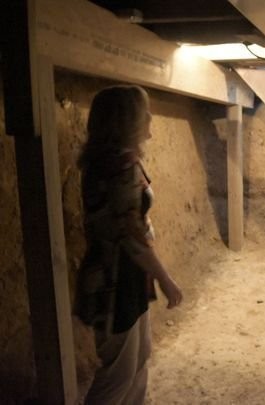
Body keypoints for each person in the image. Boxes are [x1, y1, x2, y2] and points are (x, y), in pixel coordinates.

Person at [76, 85, 182, 404]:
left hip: (127, 276)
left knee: (137, 361)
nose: (150, 117)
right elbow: (131, 238)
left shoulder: (119, 162)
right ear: (126, 120)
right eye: (143, 111)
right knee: (117, 376)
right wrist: (166, 281)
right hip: (114, 280)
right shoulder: (118, 168)